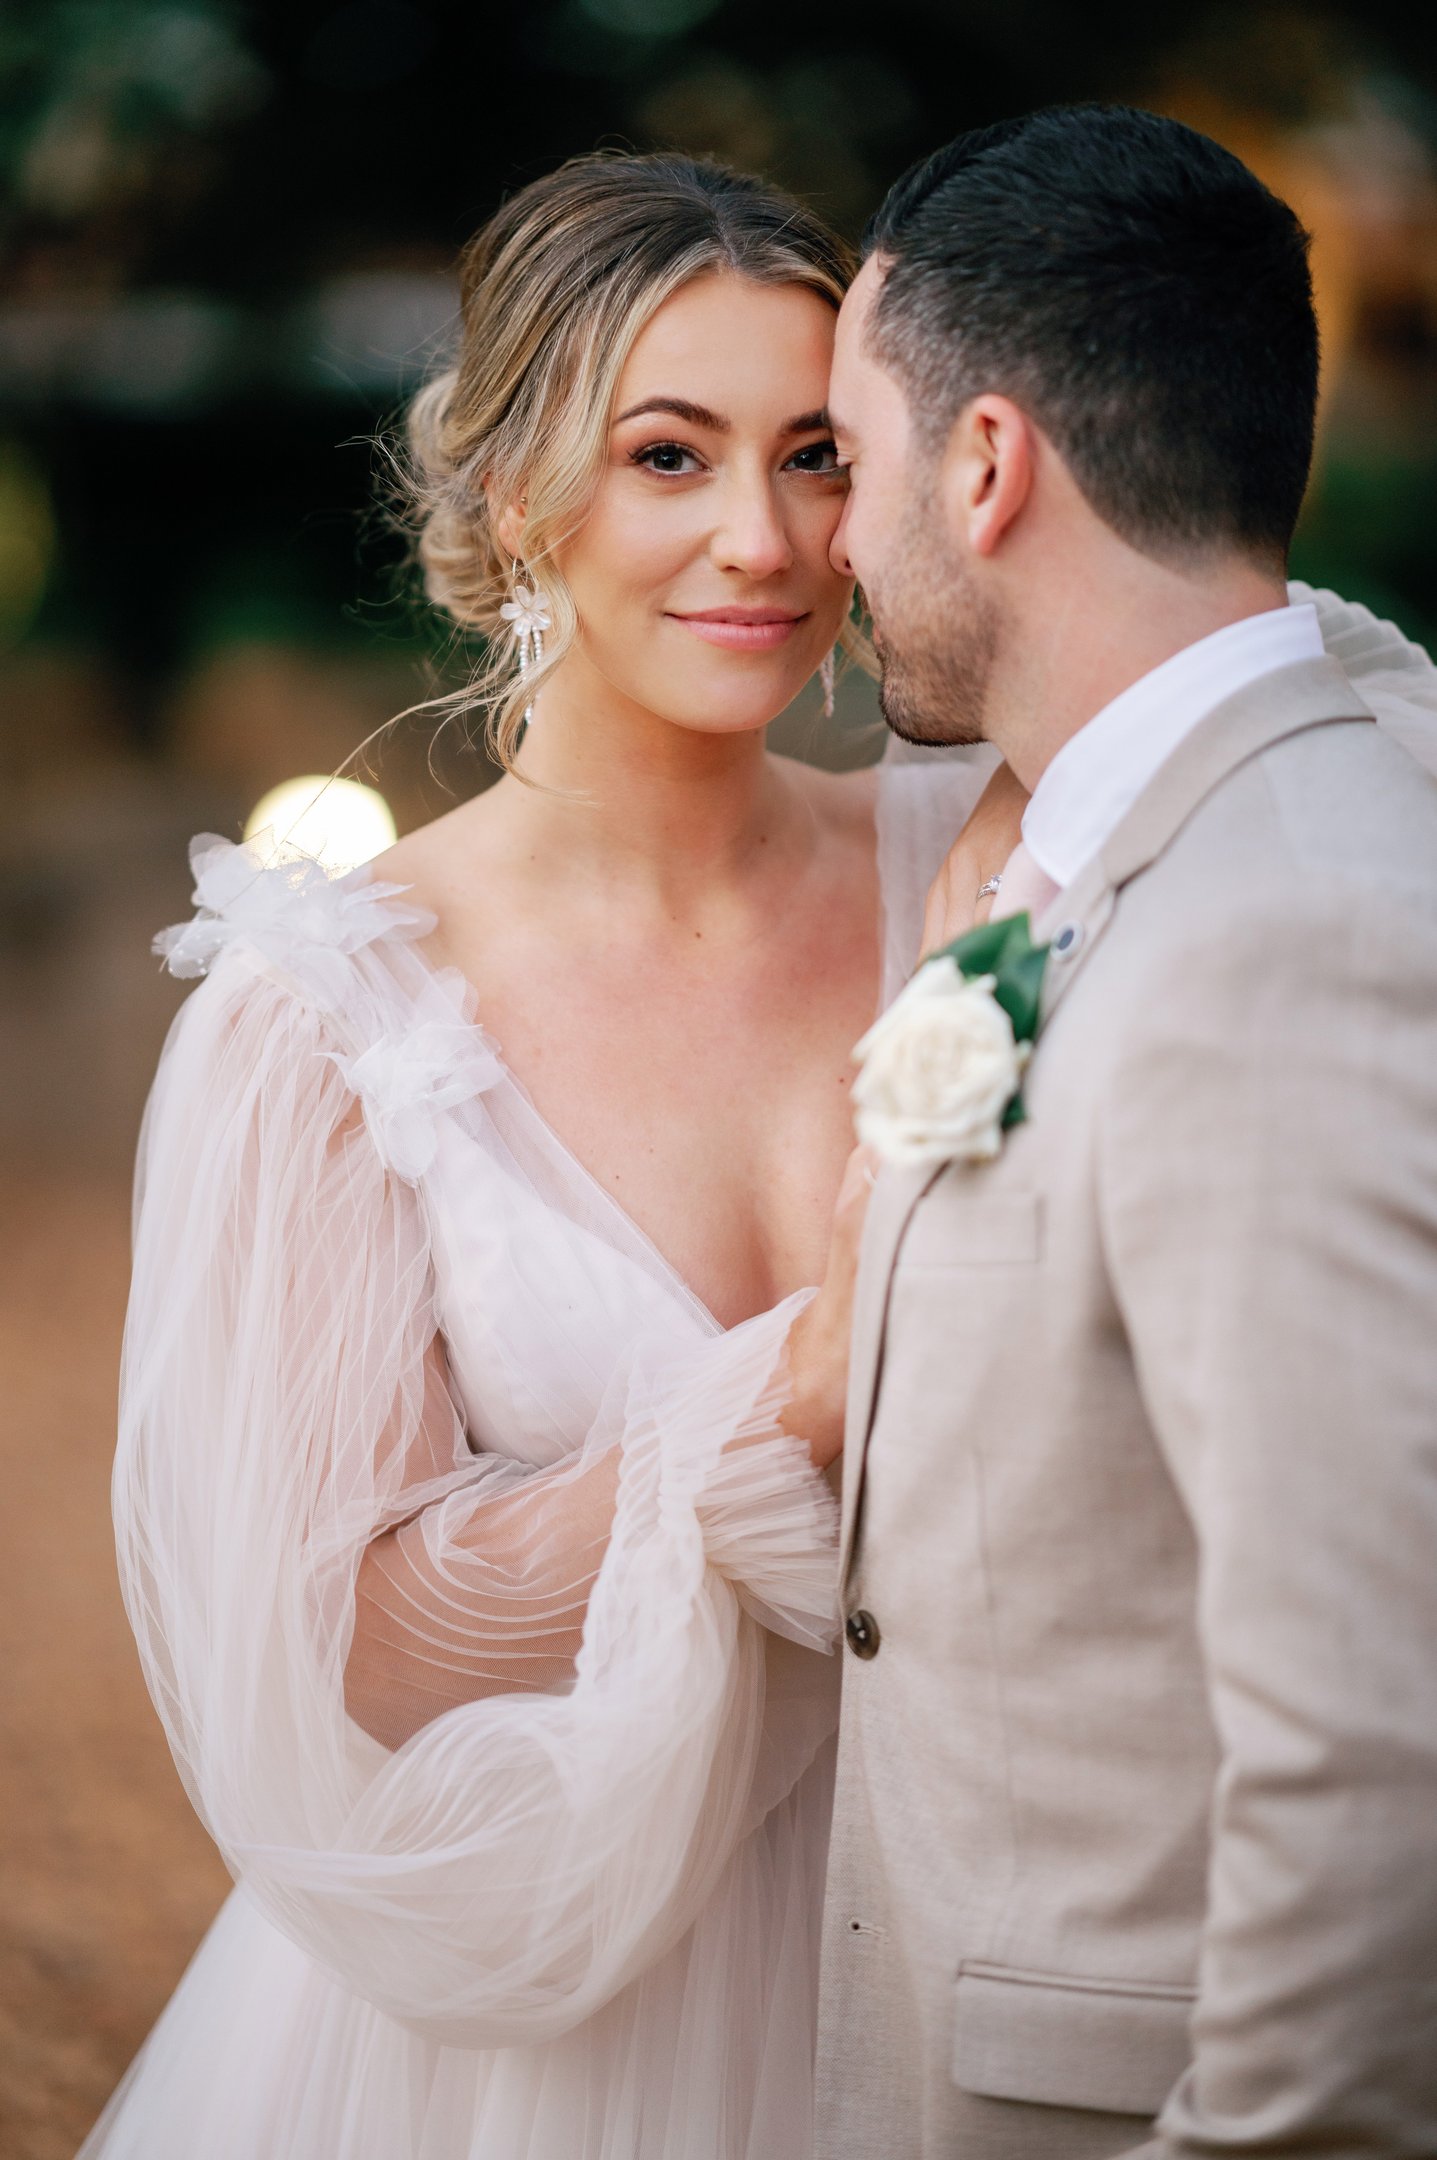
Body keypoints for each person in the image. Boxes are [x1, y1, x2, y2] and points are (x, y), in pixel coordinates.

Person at [84, 141, 1432, 2160]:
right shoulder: (325, 1014)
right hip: (560, 2028)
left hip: (995, 1950)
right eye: (665, 457)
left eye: (818, 453)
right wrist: (782, 1405)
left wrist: (1013, 806)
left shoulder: (1005, 854)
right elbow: (331, 1646)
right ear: (518, 492)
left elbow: (1279, 678)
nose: (764, 542)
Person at [815, 105, 1437, 2160]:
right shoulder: (1102, 862)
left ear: (982, 466)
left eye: (853, 459)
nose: (827, 542)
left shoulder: (1287, 937)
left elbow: (1376, 1743)